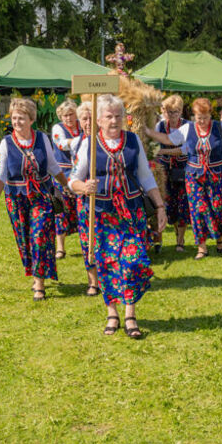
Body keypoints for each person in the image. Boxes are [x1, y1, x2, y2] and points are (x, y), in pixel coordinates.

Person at [69, 95, 167, 339]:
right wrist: (84, 187)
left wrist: (160, 206)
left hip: (130, 211)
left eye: (118, 116)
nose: (114, 120)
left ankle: (130, 313)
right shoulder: (89, 144)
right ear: (99, 120)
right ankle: (113, 313)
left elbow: (145, 176)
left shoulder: (132, 141)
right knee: (106, 263)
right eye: (109, 116)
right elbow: (72, 179)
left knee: (134, 261)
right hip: (101, 213)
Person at [0, 98, 70, 302]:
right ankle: (35, 274)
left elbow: (53, 166)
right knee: (25, 240)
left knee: (39, 236)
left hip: (41, 196)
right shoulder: (6, 144)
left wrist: (68, 185)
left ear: (31, 119)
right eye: (14, 118)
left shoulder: (42, 139)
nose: (16, 122)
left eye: (21, 118)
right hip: (16, 199)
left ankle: (39, 283)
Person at [146, 97, 222, 260]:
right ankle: (202, 247)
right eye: (199, 118)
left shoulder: (219, 128)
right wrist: (148, 131)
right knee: (198, 210)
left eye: (205, 118)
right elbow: (168, 140)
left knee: (217, 208)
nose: (202, 121)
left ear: (210, 115)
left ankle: (219, 238)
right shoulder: (188, 129)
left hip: (216, 175)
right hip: (193, 176)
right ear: (194, 115)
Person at [69, 101, 102, 296]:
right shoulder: (76, 143)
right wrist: (82, 187)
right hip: (85, 198)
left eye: (91, 118)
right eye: (84, 119)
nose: (88, 122)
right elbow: (74, 175)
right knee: (87, 239)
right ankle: (93, 282)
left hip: (106, 198)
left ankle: (110, 277)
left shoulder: (106, 140)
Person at [154, 95, 191, 251]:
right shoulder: (160, 126)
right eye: (169, 112)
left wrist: (162, 151)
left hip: (183, 170)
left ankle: (180, 241)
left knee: (182, 204)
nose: (172, 115)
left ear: (181, 111)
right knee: (169, 204)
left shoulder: (188, 126)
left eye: (175, 112)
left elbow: (185, 149)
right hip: (164, 171)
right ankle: (174, 232)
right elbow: (152, 146)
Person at [50, 100, 82, 256]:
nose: (69, 118)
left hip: (81, 173)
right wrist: (83, 141)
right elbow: (62, 144)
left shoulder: (82, 126)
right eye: (65, 116)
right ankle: (60, 247)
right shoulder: (57, 128)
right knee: (61, 210)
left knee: (83, 208)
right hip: (63, 174)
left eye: (71, 114)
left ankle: (88, 243)